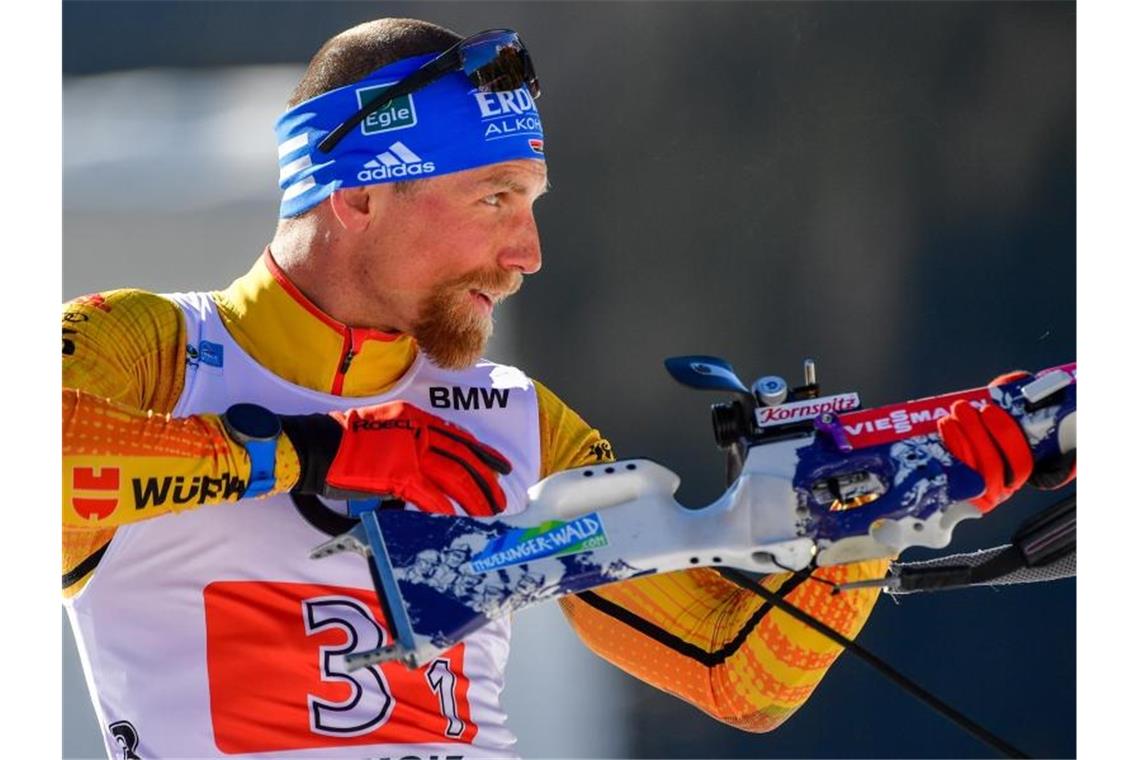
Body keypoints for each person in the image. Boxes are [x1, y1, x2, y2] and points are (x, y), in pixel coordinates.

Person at [62, 17, 1056, 759]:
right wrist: (315, 451)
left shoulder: (509, 415)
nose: (526, 252)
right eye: (494, 198)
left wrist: (860, 532)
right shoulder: (151, 347)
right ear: (357, 193)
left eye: (530, 204)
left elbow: (731, 670)